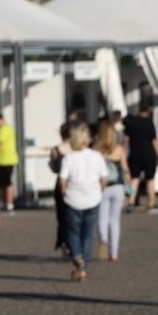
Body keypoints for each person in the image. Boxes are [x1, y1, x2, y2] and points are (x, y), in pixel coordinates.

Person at [59, 123, 109, 281]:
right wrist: (99, 190)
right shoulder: (97, 156)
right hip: (93, 198)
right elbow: (105, 178)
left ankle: (77, 256)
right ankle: (85, 268)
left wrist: (64, 192)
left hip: (73, 199)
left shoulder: (69, 157)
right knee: (87, 235)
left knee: (73, 232)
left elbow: (62, 180)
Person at [95, 120, 131, 262]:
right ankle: (114, 253)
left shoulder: (96, 149)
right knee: (115, 220)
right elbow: (125, 169)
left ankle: (103, 240)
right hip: (118, 187)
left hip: (102, 186)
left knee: (102, 218)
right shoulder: (119, 149)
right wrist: (130, 186)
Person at [124, 103, 158, 212]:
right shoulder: (149, 123)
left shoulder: (131, 123)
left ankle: (131, 201)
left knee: (134, 179)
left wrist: (124, 154)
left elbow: (126, 140)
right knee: (150, 179)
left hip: (134, 154)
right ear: (148, 111)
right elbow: (154, 140)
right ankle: (151, 204)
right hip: (149, 154)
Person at [48, 122, 72, 256]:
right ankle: (71, 242)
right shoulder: (76, 148)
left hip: (59, 183)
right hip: (73, 183)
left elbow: (53, 168)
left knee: (62, 216)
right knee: (72, 215)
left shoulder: (56, 149)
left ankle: (63, 241)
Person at [0, 112, 18, 213]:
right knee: (2, 183)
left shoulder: (4, 129)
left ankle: (9, 204)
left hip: (5, 160)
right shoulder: (7, 128)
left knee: (7, 183)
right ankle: (6, 203)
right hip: (4, 160)